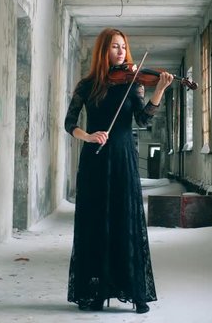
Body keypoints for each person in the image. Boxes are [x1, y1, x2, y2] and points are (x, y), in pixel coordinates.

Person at [64, 28, 173, 314]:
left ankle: (136, 293)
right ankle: (97, 291)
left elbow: (142, 120)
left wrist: (158, 90)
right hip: (95, 159)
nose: (121, 51)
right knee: (95, 223)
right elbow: (69, 123)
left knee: (126, 220)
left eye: (123, 47)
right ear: (103, 51)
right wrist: (87, 136)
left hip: (124, 157)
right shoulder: (86, 86)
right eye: (114, 47)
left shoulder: (133, 83)